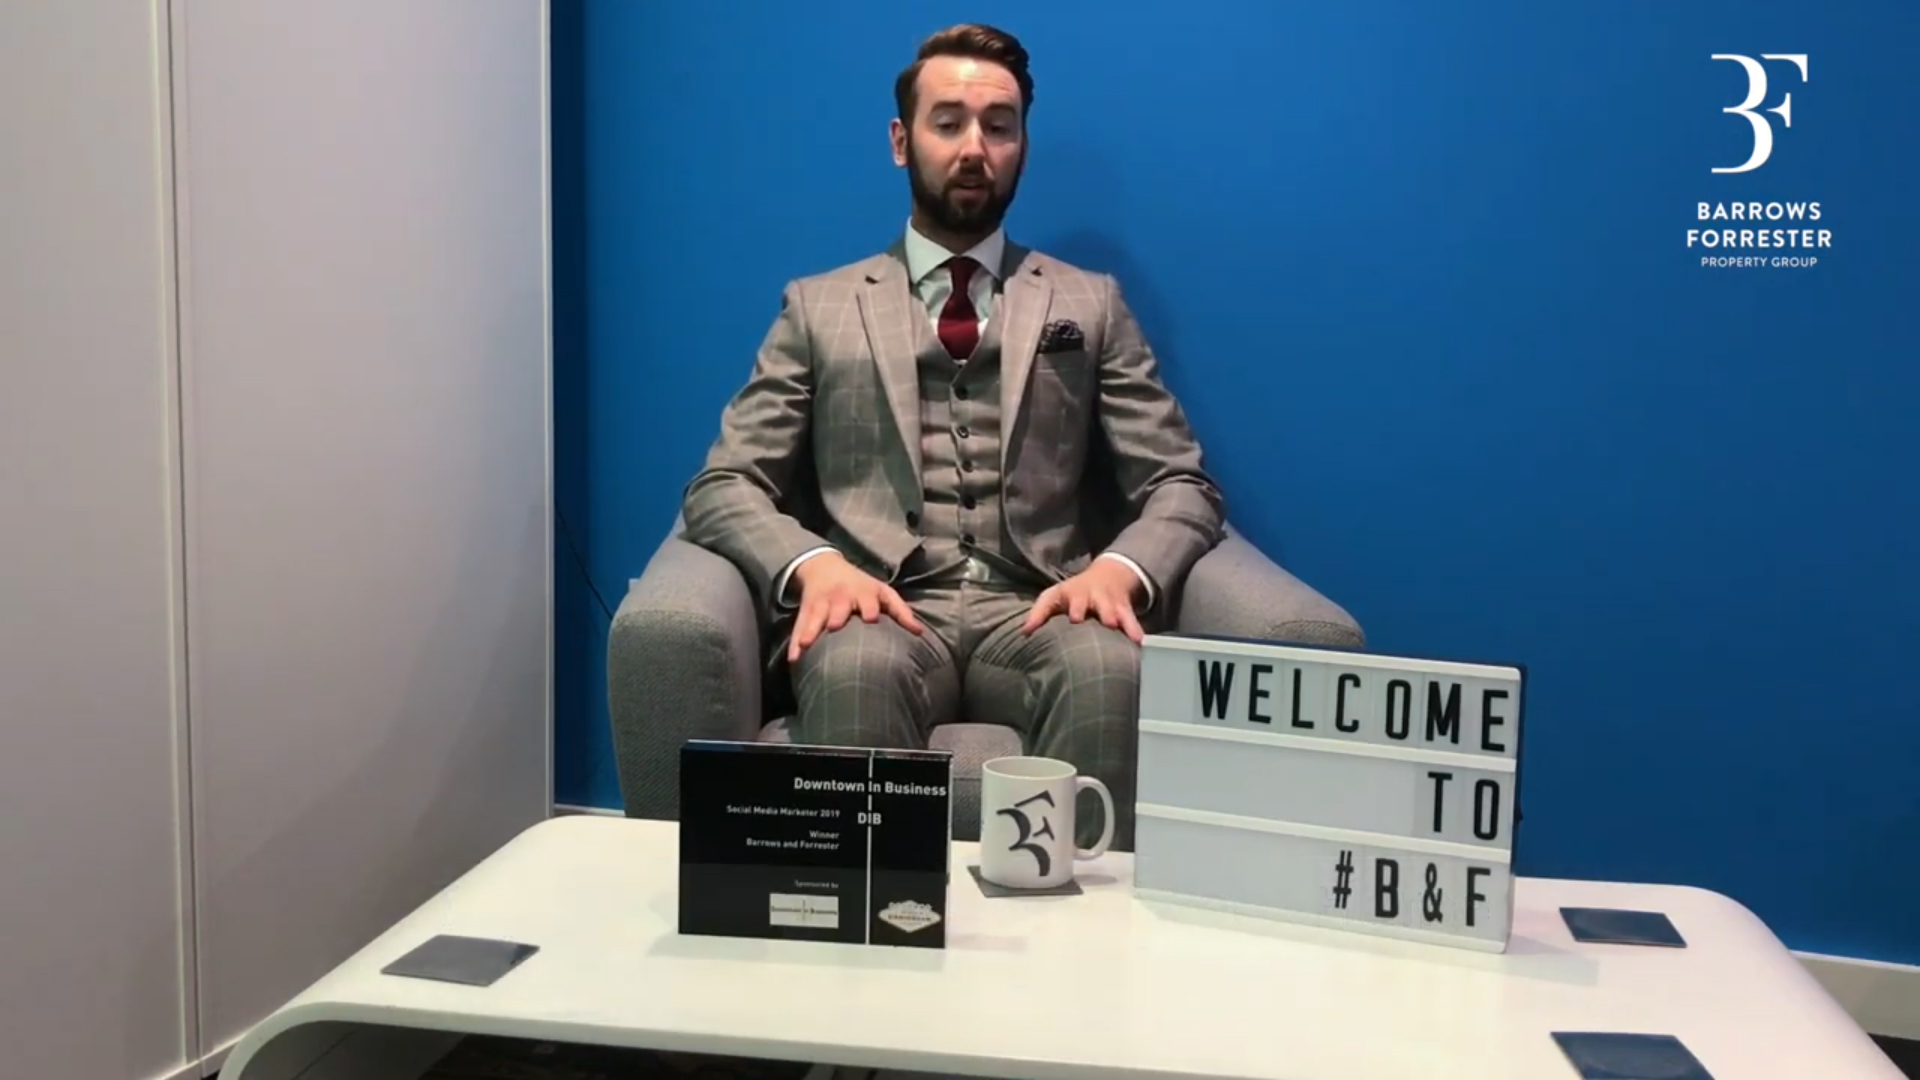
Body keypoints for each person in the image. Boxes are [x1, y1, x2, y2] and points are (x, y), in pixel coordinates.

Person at [680, 23, 1224, 851]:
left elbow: (1181, 482)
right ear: (902, 142)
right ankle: (871, 926)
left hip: (1037, 603)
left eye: (999, 126)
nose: (975, 147)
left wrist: (1120, 569)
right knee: (855, 666)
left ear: (1022, 147)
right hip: (881, 604)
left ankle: (1077, 929)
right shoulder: (818, 306)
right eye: (949, 122)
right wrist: (815, 564)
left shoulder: (1091, 303)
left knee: (1109, 666)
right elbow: (723, 484)